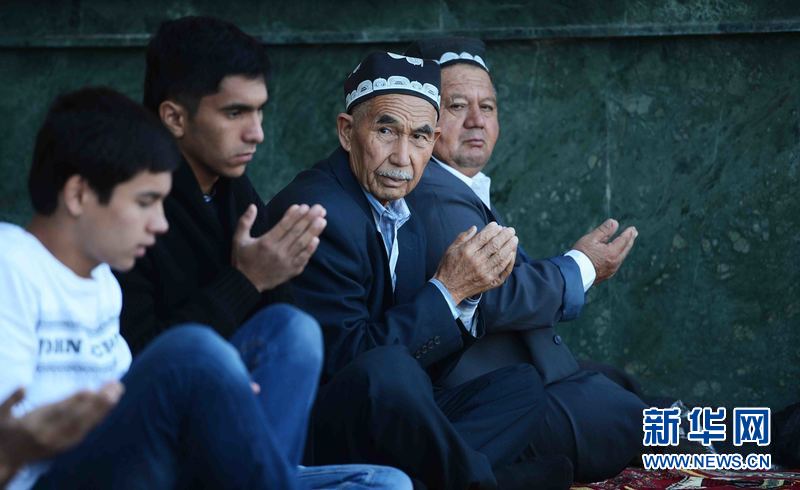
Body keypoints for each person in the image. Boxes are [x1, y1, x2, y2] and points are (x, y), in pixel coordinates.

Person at [115, 16, 410, 489]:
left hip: (242, 448)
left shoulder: (232, 189)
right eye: (235, 113)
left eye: (259, 112)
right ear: (175, 118)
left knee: (387, 483)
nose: (256, 133)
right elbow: (141, 365)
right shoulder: (127, 208)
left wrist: (274, 274)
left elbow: (280, 337)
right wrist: (247, 281)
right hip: (156, 453)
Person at [266, 51, 574, 490]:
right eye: (386, 131)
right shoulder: (321, 213)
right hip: (317, 428)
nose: (402, 157)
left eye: (420, 137)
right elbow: (353, 364)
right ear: (347, 132)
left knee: (520, 387)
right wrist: (447, 292)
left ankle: (439, 479)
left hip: (391, 408)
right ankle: (480, 481)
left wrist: (464, 295)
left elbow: (420, 358)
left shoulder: (401, 206)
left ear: (435, 141)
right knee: (390, 369)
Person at [0, 87, 309, 489]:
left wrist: (212, 397)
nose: (160, 224)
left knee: (377, 480)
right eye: (145, 202)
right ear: (78, 194)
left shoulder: (102, 281)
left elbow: (122, 400)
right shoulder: (11, 266)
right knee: (194, 351)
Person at [403, 37, 647, 482]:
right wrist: (583, 266)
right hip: (480, 398)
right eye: (457, 106)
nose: (477, 120)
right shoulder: (432, 191)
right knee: (627, 415)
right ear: (425, 120)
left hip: (515, 374)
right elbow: (492, 296)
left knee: (622, 387)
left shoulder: (453, 184)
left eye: (488, 107)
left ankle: (747, 435)